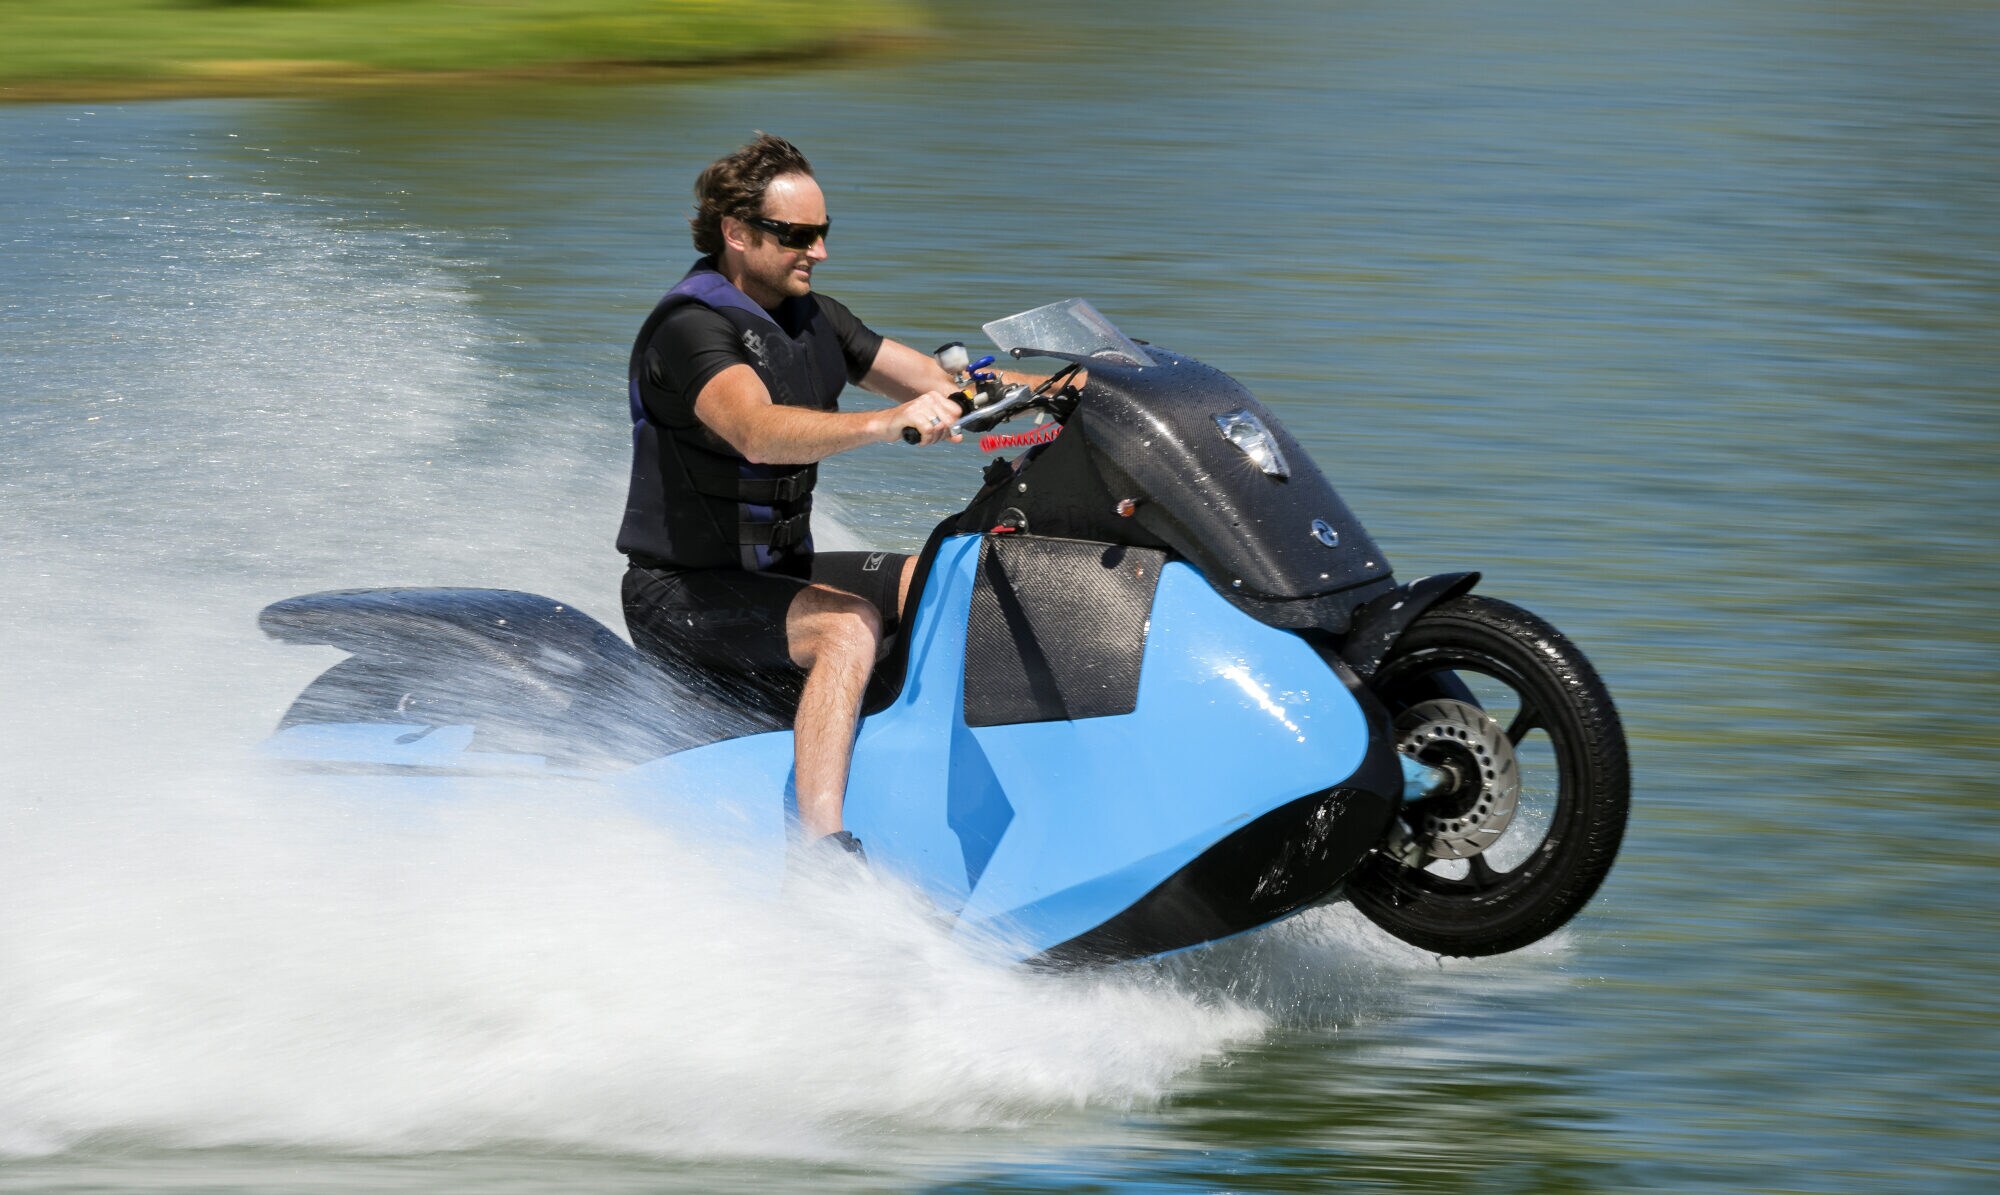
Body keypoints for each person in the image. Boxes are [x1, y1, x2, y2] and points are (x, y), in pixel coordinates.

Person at [617, 133, 993, 860]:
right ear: (736, 233)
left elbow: (938, 384)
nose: (818, 251)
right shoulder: (690, 329)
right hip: (681, 595)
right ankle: (819, 846)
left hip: (776, 575)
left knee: (940, 572)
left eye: (823, 232)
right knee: (847, 624)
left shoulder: (815, 317)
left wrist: (1065, 393)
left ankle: (940, 748)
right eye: (796, 236)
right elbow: (754, 430)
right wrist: (886, 424)